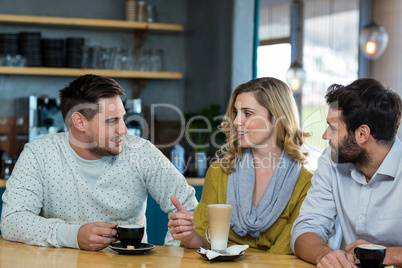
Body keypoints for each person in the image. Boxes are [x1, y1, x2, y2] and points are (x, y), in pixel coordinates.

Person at [0, 74, 198, 251]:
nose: (124, 130)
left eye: (123, 119)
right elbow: (12, 221)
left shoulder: (140, 152)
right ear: (80, 122)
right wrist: (74, 236)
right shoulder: (39, 154)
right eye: (112, 121)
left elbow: (187, 209)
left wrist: (174, 256)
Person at [168, 77, 313, 254]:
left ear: (276, 118)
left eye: (248, 113)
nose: (236, 121)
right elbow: (204, 243)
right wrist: (189, 235)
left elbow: (283, 253)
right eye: (236, 112)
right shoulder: (219, 172)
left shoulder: (306, 183)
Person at [291, 78, 402, 267]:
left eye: (333, 128)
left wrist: (385, 255)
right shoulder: (331, 160)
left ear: (362, 134)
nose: (325, 136)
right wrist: (323, 254)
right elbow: (306, 228)